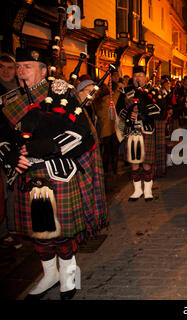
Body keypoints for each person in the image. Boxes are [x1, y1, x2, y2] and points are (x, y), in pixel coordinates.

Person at [1, 47, 107, 299]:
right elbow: (3, 136)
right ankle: (49, 274)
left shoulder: (61, 92)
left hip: (58, 171)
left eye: (27, 66)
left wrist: (48, 146)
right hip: (29, 173)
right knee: (41, 232)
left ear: (43, 70)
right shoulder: (10, 101)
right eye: (19, 67)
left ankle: (70, 273)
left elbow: (82, 134)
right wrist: (9, 154)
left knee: (61, 232)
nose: (20, 71)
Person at [116, 65, 161, 201]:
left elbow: (159, 110)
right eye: (135, 76)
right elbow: (119, 110)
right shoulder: (126, 91)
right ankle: (137, 190)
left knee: (147, 162)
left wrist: (142, 114)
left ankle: (148, 191)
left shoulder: (152, 91)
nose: (138, 78)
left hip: (146, 129)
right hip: (132, 131)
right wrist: (129, 115)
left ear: (145, 78)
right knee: (134, 162)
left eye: (140, 76)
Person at [0, 53, 22, 250]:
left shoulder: (22, 90)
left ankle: (17, 228)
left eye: (9, 67)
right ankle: (5, 231)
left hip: (21, 144)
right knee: (4, 191)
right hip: (2, 147)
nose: (6, 72)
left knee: (17, 188)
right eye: (2, 67)